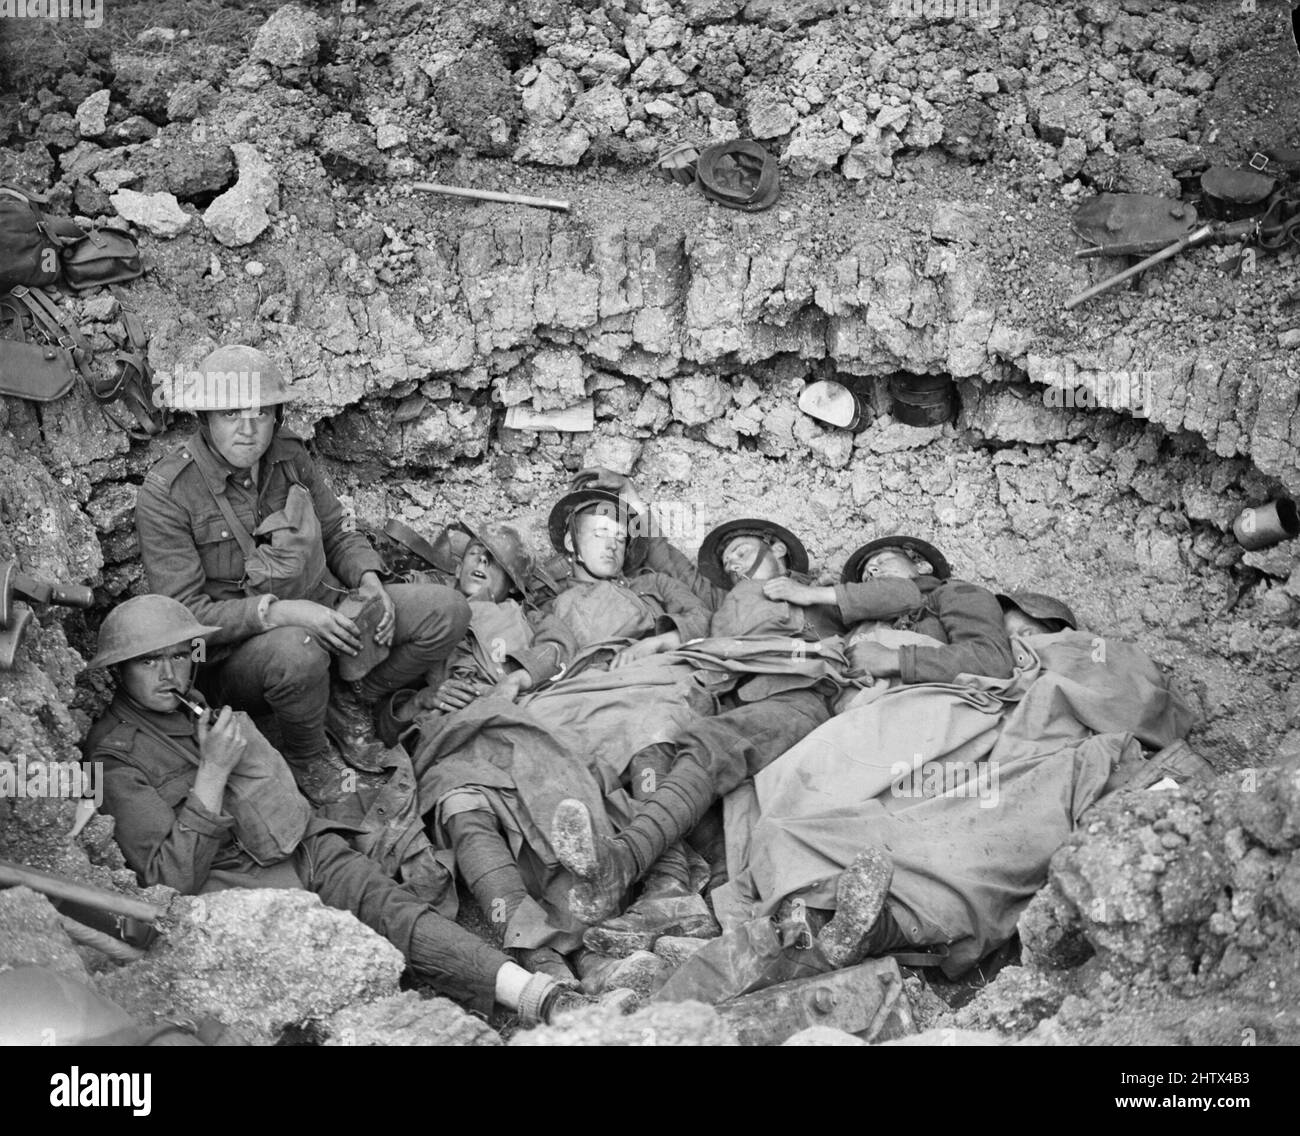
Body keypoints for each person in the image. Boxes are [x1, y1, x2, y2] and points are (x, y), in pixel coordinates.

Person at [83, 594, 583, 1026]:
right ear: (119, 672)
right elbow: (167, 881)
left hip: (306, 846)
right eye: (149, 662)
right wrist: (212, 774)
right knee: (354, 970)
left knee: (395, 908)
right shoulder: (115, 756)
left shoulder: (193, 703)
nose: (168, 673)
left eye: (178, 656)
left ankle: (539, 997)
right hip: (248, 896)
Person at [135, 345, 471, 791]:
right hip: (236, 654)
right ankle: (307, 755)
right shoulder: (168, 492)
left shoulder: (288, 455)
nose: (248, 430)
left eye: (260, 413)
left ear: (277, 414)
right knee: (299, 650)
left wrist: (369, 582)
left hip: (323, 606)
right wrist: (283, 613)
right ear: (205, 420)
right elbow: (184, 619)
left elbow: (335, 530)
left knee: (447, 610)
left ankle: (353, 700)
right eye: (230, 414)